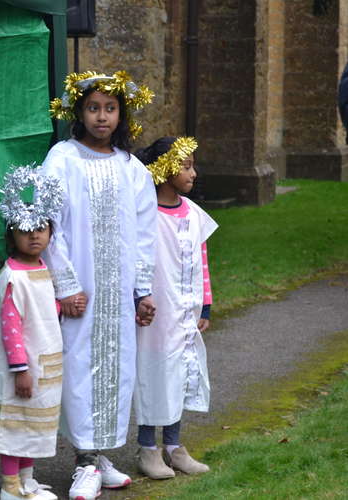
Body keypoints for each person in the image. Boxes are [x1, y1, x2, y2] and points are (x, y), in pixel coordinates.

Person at [43, 71, 157, 500]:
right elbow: (51, 224)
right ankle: (83, 461)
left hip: (118, 293)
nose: (102, 117)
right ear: (79, 112)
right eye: (93, 108)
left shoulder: (131, 168)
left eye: (110, 108)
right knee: (79, 368)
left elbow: (144, 234)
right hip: (82, 292)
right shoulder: (63, 159)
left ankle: (100, 455)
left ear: (121, 114)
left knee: (116, 369)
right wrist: (66, 284)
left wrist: (142, 290)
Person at [133, 136, 218, 479]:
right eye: (185, 166)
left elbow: (202, 259)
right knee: (153, 373)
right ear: (165, 168)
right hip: (155, 314)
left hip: (185, 313)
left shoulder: (193, 213)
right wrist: (139, 299)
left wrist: (205, 307)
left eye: (192, 165)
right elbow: (136, 260)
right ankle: (147, 449)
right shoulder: (146, 214)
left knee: (180, 373)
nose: (193, 173)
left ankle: (173, 446)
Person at [0, 167, 65, 500]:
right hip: (24, 368)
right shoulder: (13, 276)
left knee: (31, 427)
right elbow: (11, 327)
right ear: (12, 235)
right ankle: (10, 487)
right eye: (26, 231)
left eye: (41, 229)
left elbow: (42, 310)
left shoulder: (42, 268)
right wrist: (21, 370)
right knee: (15, 428)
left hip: (43, 363)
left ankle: (27, 481)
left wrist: (61, 308)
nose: (35, 236)